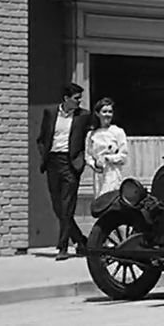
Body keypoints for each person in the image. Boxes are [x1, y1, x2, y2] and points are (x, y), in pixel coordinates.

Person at [36, 83, 91, 261]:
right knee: (58, 207)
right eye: (76, 98)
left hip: (70, 163)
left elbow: (95, 131)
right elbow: (42, 138)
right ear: (66, 99)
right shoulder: (50, 113)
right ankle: (81, 241)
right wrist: (44, 154)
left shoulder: (83, 116)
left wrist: (82, 159)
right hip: (52, 161)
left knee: (67, 206)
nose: (79, 102)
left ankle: (63, 246)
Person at [85, 97, 129, 198]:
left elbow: (123, 156)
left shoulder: (118, 131)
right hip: (98, 174)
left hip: (113, 172)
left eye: (110, 112)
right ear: (97, 113)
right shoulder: (91, 134)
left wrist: (108, 158)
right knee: (99, 201)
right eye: (104, 111)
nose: (107, 115)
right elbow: (88, 155)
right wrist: (94, 164)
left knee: (111, 200)